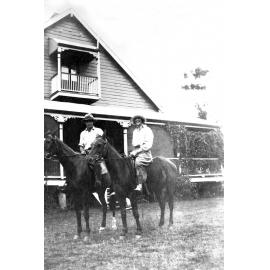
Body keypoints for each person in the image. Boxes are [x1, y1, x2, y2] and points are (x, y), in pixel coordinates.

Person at [79, 113, 110, 187]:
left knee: (96, 163)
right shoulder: (83, 133)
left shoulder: (98, 130)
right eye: (87, 121)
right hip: (86, 153)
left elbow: (104, 142)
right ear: (85, 123)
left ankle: (98, 181)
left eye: (90, 121)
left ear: (93, 122)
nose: (89, 123)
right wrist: (82, 151)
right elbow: (81, 145)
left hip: (97, 152)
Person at [129, 115, 154, 191]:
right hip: (136, 151)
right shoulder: (135, 131)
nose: (137, 120)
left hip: (145, 152)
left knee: (138, 162)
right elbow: (134, 144)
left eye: (139, 119)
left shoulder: (147, 130)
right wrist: (133, 152)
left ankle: (140, 185)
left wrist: (137, 151)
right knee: (126, 162)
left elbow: (148, 145)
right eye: (136, 119)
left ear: (142, 120)